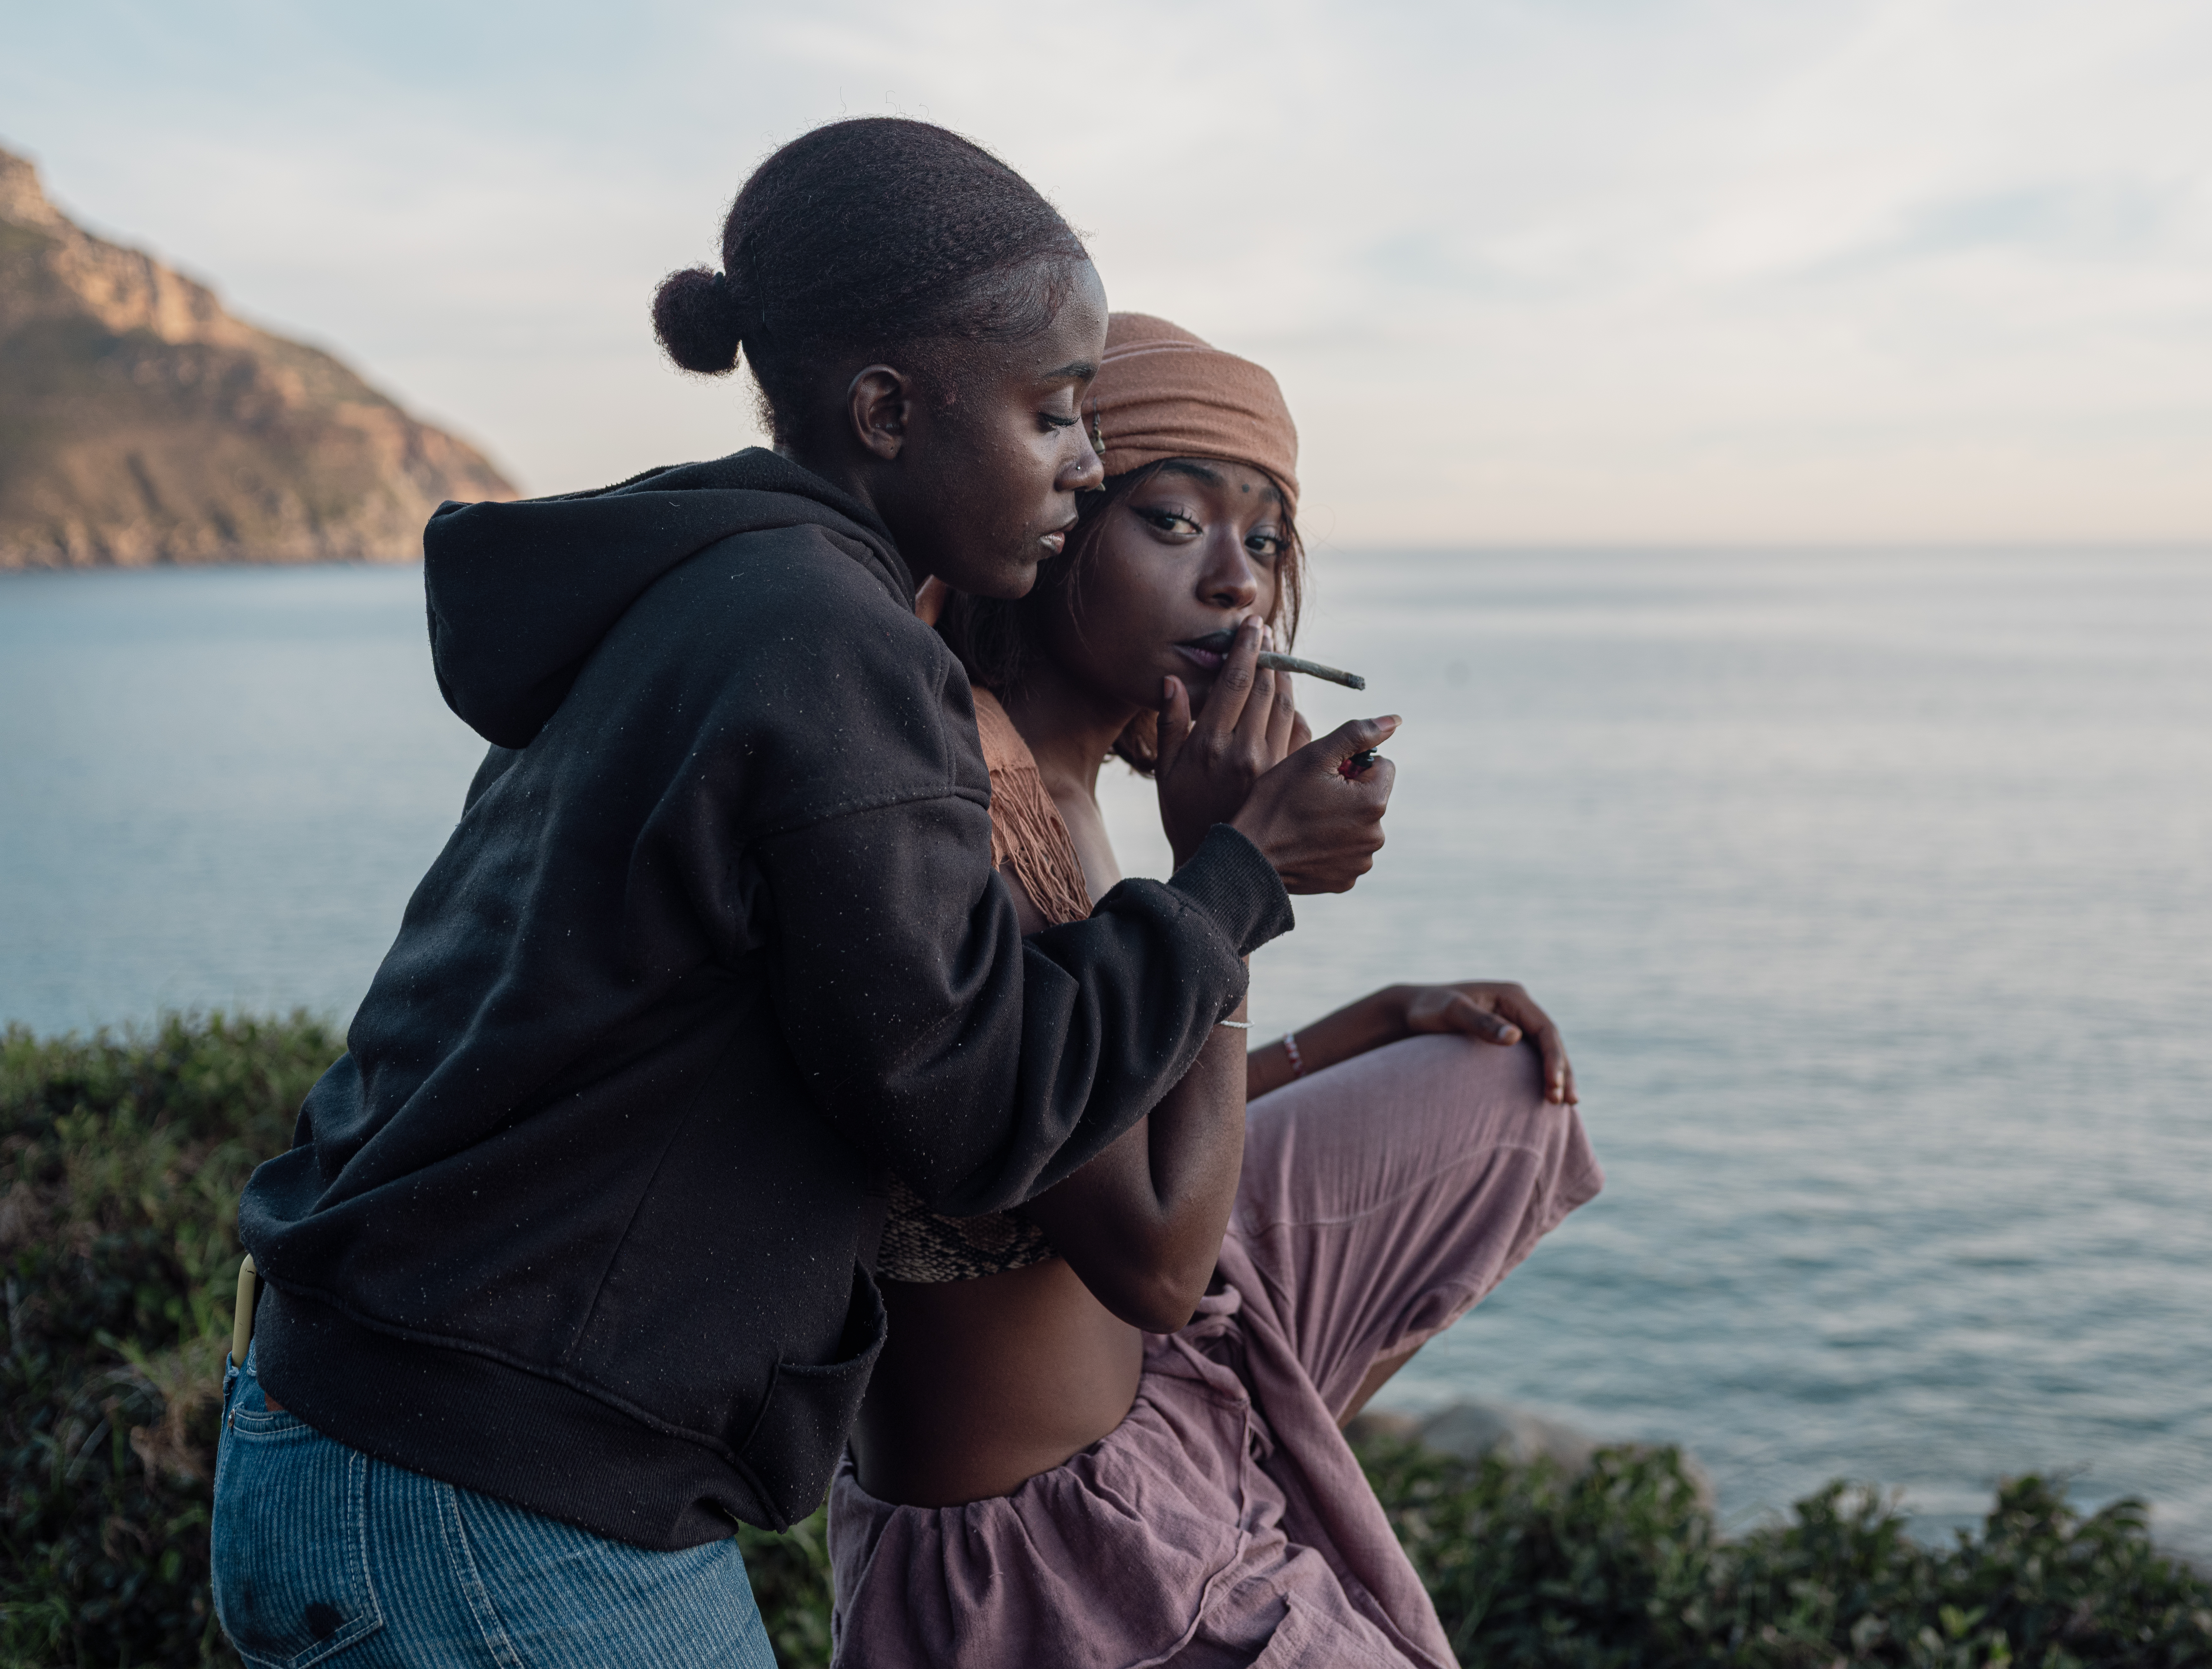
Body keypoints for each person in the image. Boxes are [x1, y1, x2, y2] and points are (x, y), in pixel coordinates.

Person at [212, 128, 1397, 1669]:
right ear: (889, 412)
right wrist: (1235, 881)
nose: (1085, 462)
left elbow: (929, 1021)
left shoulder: (720, 589)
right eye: (1051, 416)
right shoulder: (831, 650)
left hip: (378, 1434)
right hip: (490, 1507)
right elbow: (979, 1110)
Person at [826, 314, 1602, 1667]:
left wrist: (1359, 1022)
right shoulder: (971, 790)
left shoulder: (1060, 782)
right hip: (1043, 1554)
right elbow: (1153, 1265)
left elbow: (1089, 1089)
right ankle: (1265, 1468)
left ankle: (1264, 1443)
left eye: (1266, 540)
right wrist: (1224, 888)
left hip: (1144, 1418)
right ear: (1052, 517)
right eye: (1175, 523)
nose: (1238, 585)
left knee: (1494, 1090)